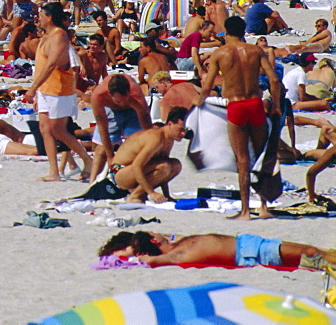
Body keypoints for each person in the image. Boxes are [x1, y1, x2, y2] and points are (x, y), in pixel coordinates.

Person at [197, 14, 281, 220]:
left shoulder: (219, 53)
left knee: (242, 160)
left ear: (226, 31)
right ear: (244, 32)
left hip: (235, 105)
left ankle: (245, 211)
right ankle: (263, 207)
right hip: (255, 103)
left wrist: (197, 105)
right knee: (261, 155)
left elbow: (207, 87)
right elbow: (274, 79)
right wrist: (276, 105)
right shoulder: (255, 51)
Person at [22, 2, 92, 181]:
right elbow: (41, 66)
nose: (38, 18)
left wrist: (32, 89)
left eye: (41, 15)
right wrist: (37, 92)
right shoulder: (46, 35)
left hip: (59, 89)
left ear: (50, 17)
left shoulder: (59, 35)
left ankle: (87, 160)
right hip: (46, 89)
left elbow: (52, 64)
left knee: (58, 130)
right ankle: (54, 172)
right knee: (45, 129)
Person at [99, 230, 336, 271]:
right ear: (152, 240)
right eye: (152, 235)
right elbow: (148, 261)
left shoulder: (177, 243)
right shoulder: (173, 255)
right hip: (252, 253)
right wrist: (131, 251)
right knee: (312, 253)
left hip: (250, 244)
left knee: (315, 250)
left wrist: (136, 243)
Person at [107, 106, 188, 203]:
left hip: (133, 170)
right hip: (119, 172)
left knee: (175, 165)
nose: (183, 133)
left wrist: (166, 195)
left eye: (185, 130)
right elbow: (137, 166)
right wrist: (152, 193)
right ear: (169, 124)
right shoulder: (156, 138)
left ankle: (140, 192)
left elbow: (164, 171)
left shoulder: (169, 140)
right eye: (180, 129)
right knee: (164, 166)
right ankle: (134, 196)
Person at [88, 73, 153, 182]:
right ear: (109, 94)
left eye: (125, 99)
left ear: (129, 92)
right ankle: (92, 182)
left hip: (133, 112)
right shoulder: (98, 96)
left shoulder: (135, 94)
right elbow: (102, 126)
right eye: (118, 101)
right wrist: (110, 157)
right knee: (101, 150)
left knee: (136, 147)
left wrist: (151, 144)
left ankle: (134, 180)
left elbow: (146, 122)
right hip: (111, 111)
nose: (122, 103)